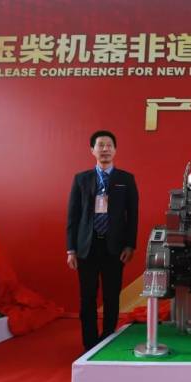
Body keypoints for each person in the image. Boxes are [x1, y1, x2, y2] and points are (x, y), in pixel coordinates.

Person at [67, 130, 139, 351]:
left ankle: (108, 338)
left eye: (109, 145)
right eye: (100, 145)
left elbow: (133, 215)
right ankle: (89, 343)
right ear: (92, 150)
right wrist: (71, 249)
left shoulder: (126, 179)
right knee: (87, 297)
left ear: (115, 150)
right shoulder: (81, 179)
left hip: (114, 247)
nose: (105, 149)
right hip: (86, 247)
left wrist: (130, 245)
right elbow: (73, 216)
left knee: (111, 296)